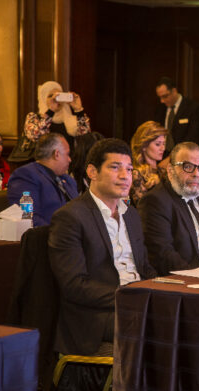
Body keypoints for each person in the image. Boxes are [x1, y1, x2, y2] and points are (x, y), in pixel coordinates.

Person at [49, 138, 156, 355]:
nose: (125, 176)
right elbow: (75, 285)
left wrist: (163, 289)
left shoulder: (131, 215)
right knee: (159, 328)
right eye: (115, 168)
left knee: (190, 317)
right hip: (96, 316)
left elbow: (144, 268)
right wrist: (130, 297)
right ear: (92, 172)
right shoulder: (71, 217)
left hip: (137, 304)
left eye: (129, 169)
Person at [138, 142, 199, 275]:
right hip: (188, 281)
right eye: (188, 167)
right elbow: (163, 255)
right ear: (170, 170)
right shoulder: (156, 201)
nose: (196, 174)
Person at [7, 133, 78, 226]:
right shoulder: (26, 176)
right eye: (67, 154)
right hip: (50, 232)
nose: (69, 159)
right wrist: (58, 233)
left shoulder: (67, 179)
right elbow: (28, 217)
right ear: (56, 154)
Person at [14, 81, 90, 162]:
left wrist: (78, 110)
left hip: (68, 164)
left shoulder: (70, 118)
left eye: (58, 95)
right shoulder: (34, 117)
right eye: (50, 96)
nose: (55, 99)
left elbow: (86, 136)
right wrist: (51, 111)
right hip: (44, 165)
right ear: (43, 98)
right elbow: (36, 136)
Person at [154, 77, 199, 151]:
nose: (162, 101)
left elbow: (193, 137)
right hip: (162, 152)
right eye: (160, 97)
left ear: (174, 91)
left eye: (165, 96)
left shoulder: (193, 108)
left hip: (183, 152)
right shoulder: (160, 109)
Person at [129, 121, 169, 204]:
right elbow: (142, 206)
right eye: (158, 144)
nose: (163, 148)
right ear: (144, 146)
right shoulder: (136, 174)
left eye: (164, 144)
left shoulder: (163, 171)